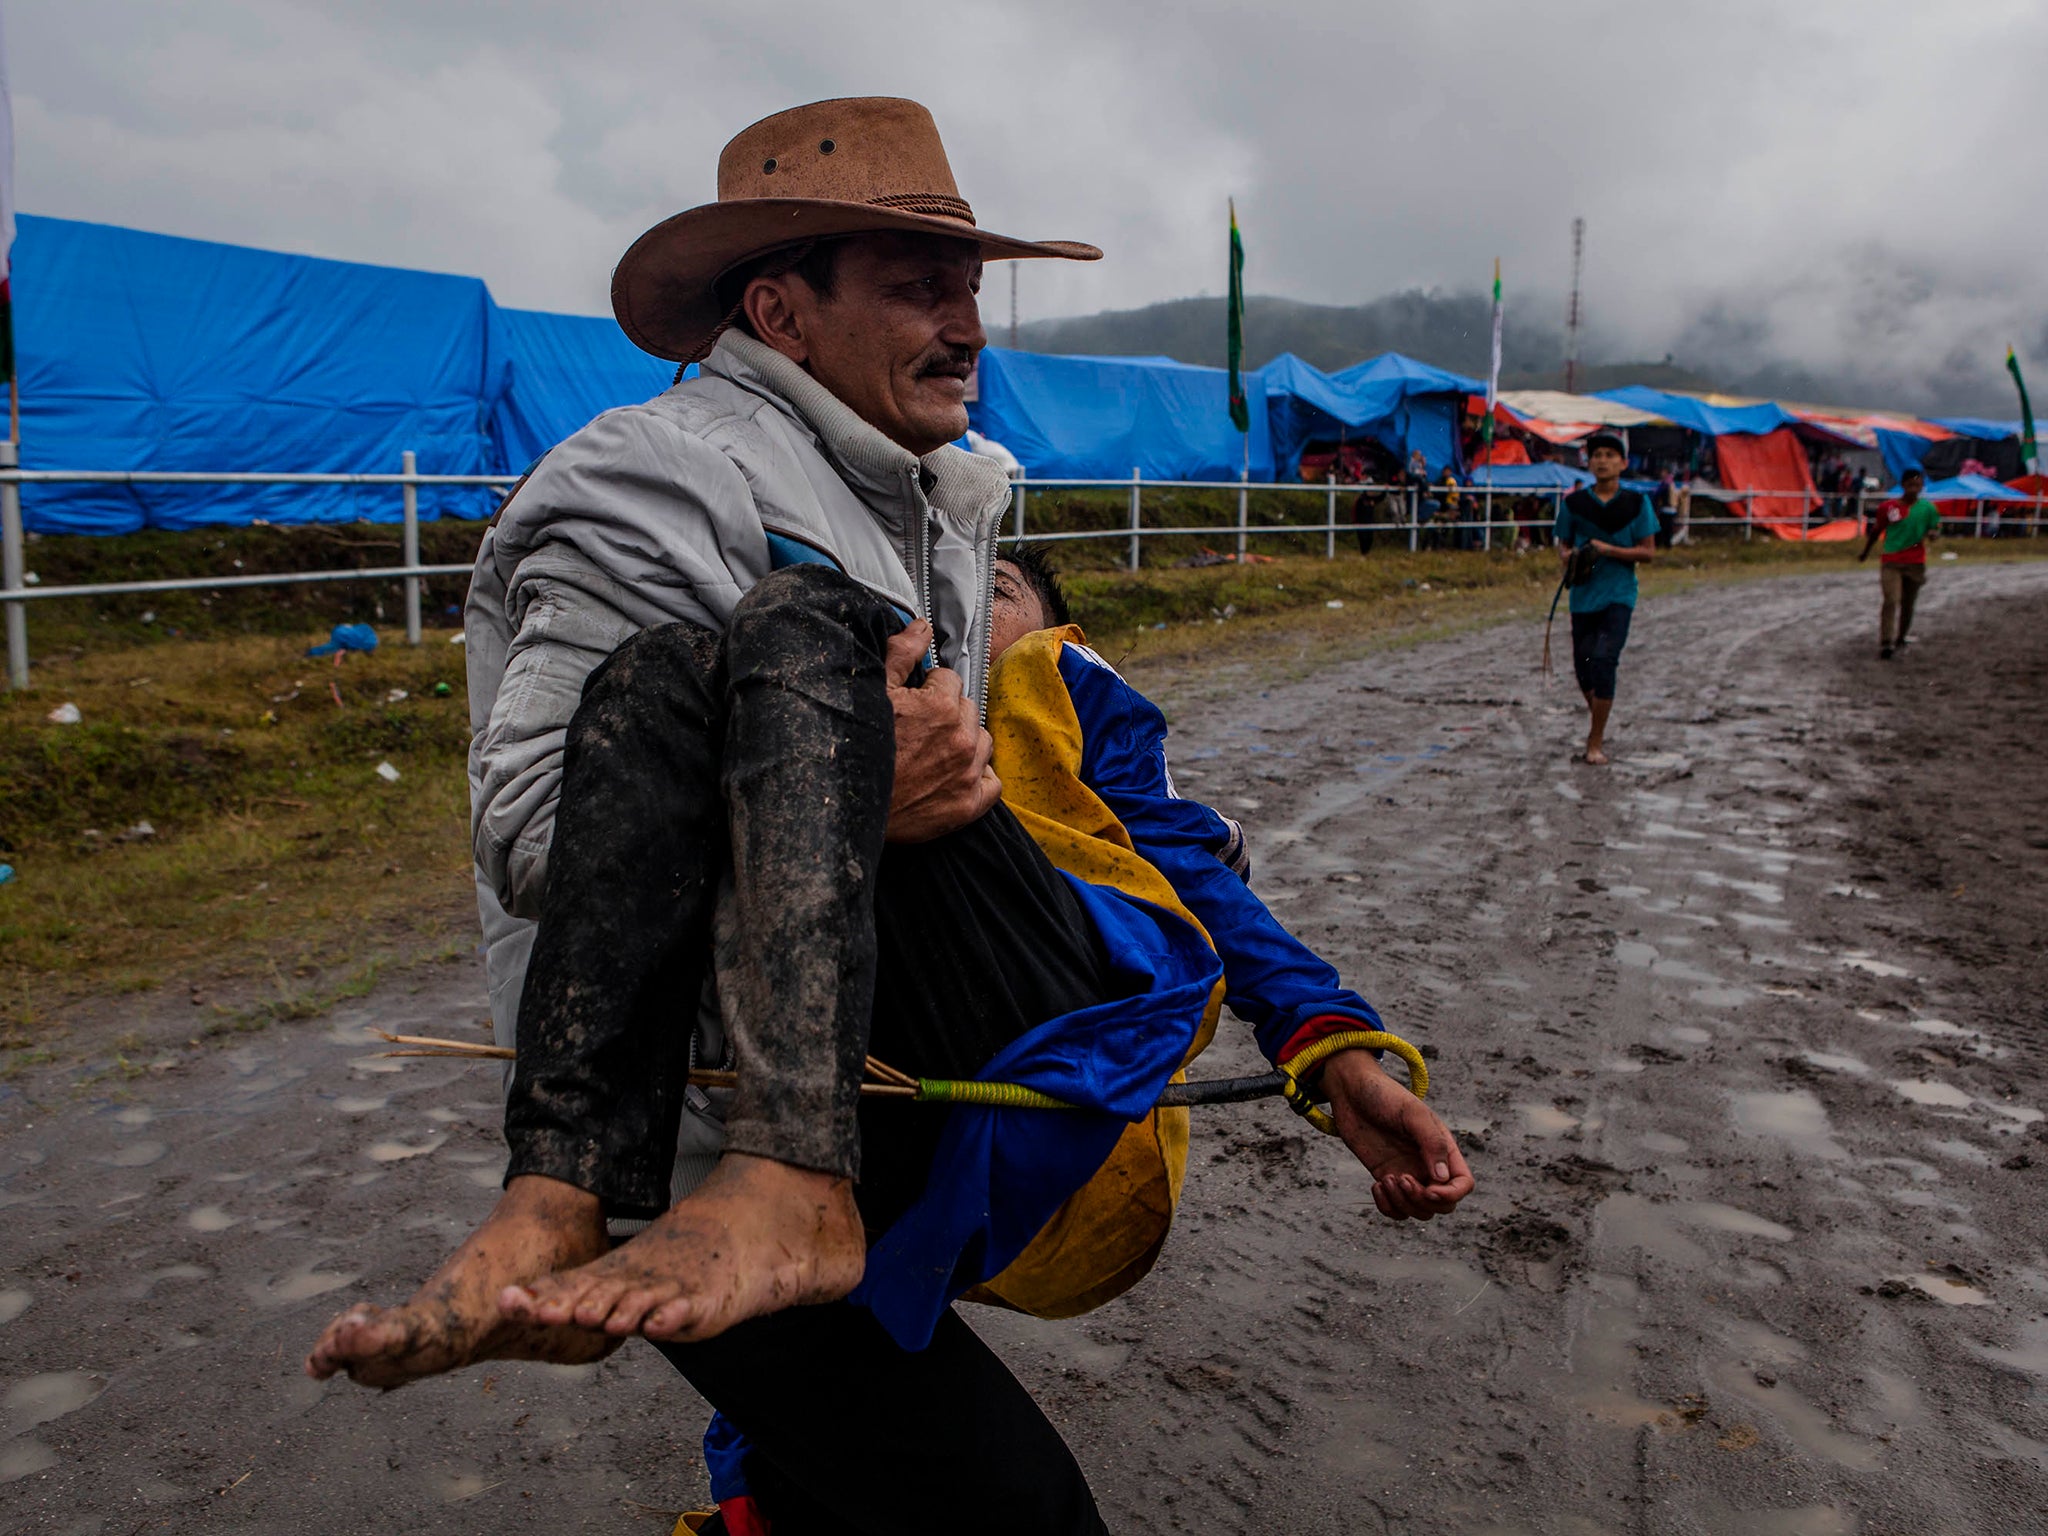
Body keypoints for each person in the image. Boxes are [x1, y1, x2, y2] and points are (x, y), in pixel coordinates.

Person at [304, 98, 1472, 1535]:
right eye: (920, 284)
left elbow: (1134, 820)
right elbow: (543, 837)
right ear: (781, 312)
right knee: (1003, 1511)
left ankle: (651, 1198)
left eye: (973, 287)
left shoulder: (944, 515)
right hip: (715, 1123)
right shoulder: (654, 480)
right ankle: (614, 1188)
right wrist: (857, 785)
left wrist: (1325, 1039)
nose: (968, 323)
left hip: (944, 1072)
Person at [1555, 432, 1658, 765]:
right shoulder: (1573, 504)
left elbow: (1648, 552)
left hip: (1619, 594)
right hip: (1584, 596)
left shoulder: (1636, 504)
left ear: (1623, 463)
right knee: (1583, 670)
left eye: (1610, 455)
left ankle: (1594, 740)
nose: (1602, 460)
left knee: (1604, 660)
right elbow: (1563, 545)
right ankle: (1600, 714)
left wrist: (1608, 550)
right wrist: (1570, 557)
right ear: (1588, 461)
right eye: (1596, 454)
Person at [1858, 466, 1940, 659]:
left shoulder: (1928, 509)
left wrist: (1933, 534)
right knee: (1891, 599)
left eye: (1917, 485)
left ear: (1921, 487)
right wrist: (1865, 552)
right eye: (1910, 484)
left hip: (1915, 562)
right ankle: (1886, 641)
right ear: (1903, 485)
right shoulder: (1888, 508)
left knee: (1908, 603)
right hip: (1891, 560)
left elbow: (1934, 529)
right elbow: (1877, 530)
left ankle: (1901, 636)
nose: (1913, 489)